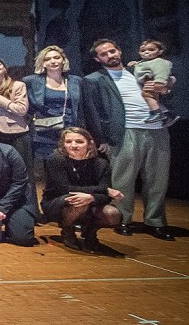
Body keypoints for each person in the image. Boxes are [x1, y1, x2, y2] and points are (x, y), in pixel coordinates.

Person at [83, 39, 173, 241]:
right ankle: (122, 219)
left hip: (156, 129)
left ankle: (155, 222)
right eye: (104, 54)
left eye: (112, 51)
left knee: (157, 180)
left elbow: (165, 86)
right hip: (124, 131)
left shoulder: (139, 70)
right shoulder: (94, 79)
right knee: (123, 180)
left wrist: (164, 87)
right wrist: (100, 139)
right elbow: (92, 112)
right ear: (98, 59)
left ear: (120, 51)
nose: (110, 55)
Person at [42, 128, 124, 252]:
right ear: (63, 144)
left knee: (113, 215)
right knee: (78, 201)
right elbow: (65, 188)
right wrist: (104, 189)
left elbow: (106, 198)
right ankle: (68, 231)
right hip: (58, 203)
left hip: (90, 203)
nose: (73, 145)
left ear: (90, 143)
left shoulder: (101, 163)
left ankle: (90, 232)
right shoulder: (56, 159)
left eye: (79, 142)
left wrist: (92, 197)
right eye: (68, 141)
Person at [22, 45, 85, 162]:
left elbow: (83, 108)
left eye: (56, 57)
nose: (53, 61)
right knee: (43, 173)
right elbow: (25, 107)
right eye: (47, 59)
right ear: (43, 63)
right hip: (43, 135)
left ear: (63, 60)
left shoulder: (76, 81)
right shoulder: (31, 81)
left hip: (71, 133)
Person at [0, 57, 33, 192]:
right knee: (1, 173)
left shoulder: (18, 85)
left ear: (5, 68)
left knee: (23, 172)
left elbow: (21, 110)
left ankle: (28, 208)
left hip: (18, 133)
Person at [127, 39, 177, 125]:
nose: (146, 52)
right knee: (154, 99)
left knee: (147, 95)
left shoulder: (159, 62)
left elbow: (161, 71)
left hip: (153, 82)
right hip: (148, 82)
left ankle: (157, 113)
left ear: (160, 51)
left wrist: (159, 82)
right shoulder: (145, 62)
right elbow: (144, 66)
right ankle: (167, 114)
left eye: (151, 50)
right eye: (143, 50)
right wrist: (136, 64)